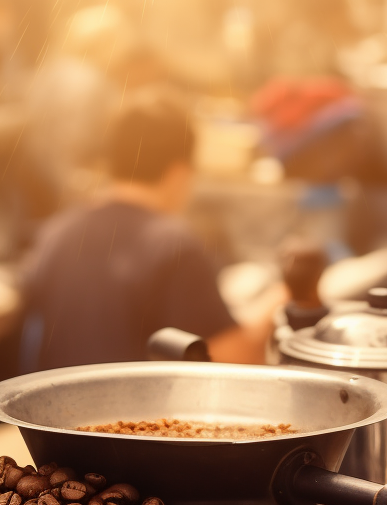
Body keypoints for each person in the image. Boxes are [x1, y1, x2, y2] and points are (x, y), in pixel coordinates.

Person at [19, 87, 268, 370]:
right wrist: (281, 302)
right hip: (131, 412)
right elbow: (231, 358)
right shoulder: (173, 244)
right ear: (180, 173)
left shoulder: (56, 233)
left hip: (51, 410)